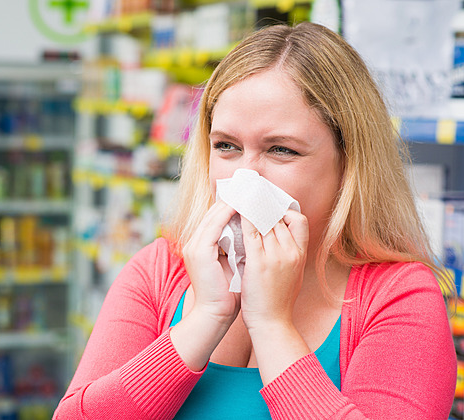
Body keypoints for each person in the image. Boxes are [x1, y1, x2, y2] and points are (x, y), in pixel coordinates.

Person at [54, 22, 457, 419]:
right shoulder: (159, 271)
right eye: (226, 146)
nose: (244, 177)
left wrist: (271, 325)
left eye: (281, 150)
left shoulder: (399, 297)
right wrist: (204, 320)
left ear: (349, 163)